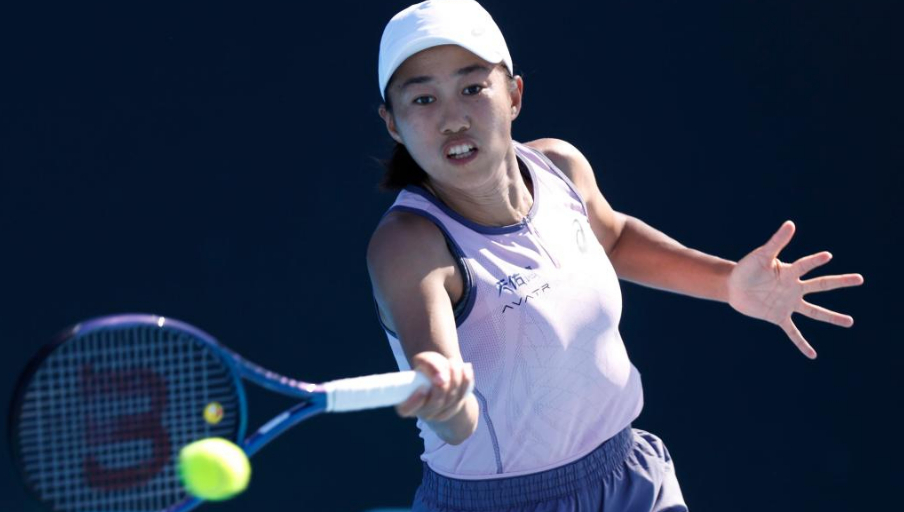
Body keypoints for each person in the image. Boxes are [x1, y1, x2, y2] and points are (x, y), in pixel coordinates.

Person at [365, 1, 864, 510]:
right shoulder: (408, 244)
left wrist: (729, 282)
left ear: (513, 95)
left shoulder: (560, 166)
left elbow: (616, 240)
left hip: (630, 483)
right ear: (393, 124)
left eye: (472, 89)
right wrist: (448, 403)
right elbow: (452, 413)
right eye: (423, 99)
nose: (452, 119)